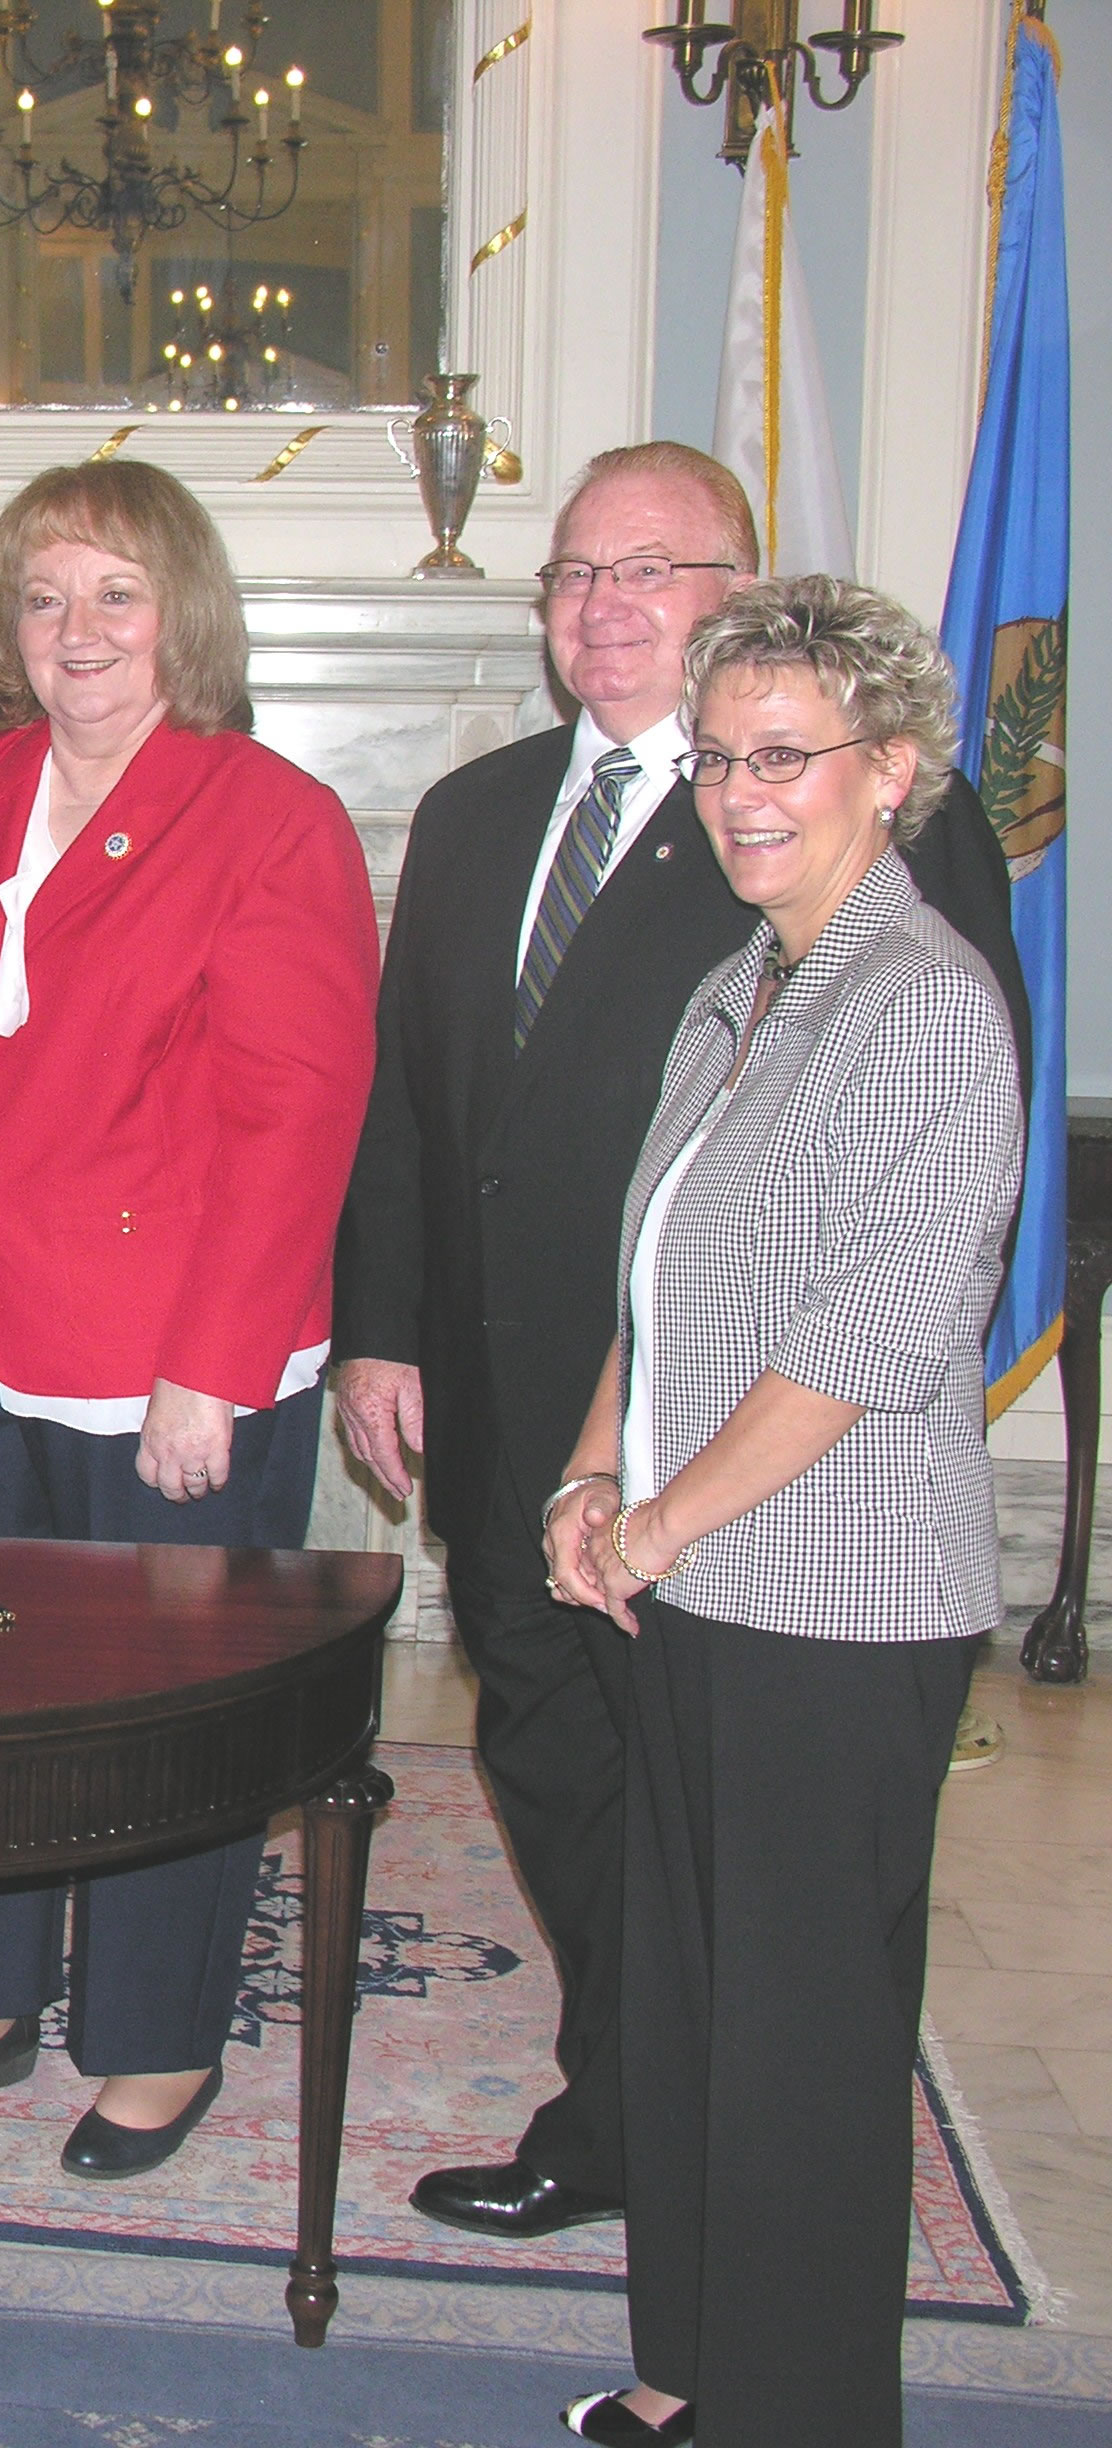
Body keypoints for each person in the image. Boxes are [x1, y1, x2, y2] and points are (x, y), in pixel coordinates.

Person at [328, 443, 1027, 2247]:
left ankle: (708, 2142)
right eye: (573, 572)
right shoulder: (474, 811)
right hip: (526, 1422)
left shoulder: (837, 817)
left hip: (739, 1459)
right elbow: (411, 1102)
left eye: (651, 567)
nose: (602, 603)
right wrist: (379, 1328)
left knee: (723, 1841)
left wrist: (679, 1477)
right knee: (555, 1770)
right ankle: (629, 2101)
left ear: (738, 592)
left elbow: (943, 1159)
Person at [0, 460, 375, 2173]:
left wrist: (211, 1367)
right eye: (43, 595)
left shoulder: (268, 817)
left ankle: (152, 2032)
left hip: (164, 1348)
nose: (78, 629)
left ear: (182, 612)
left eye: (116, 592)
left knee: (156, 1706)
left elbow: (293, 1115)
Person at [541, 578, 1018, 2448]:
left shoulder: (924, 1004)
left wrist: (655, 1525)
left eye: (784, 757)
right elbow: (653, 1278)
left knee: (801, 2050)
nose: (740, 794)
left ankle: (798, 2416)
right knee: (688, 2006)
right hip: (693, 1586)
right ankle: (687, 2372)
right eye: (719, 759)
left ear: (887, 770)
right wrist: (591, 1472)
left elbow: (864, 1341)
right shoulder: (734, 989)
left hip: (837, 1606)